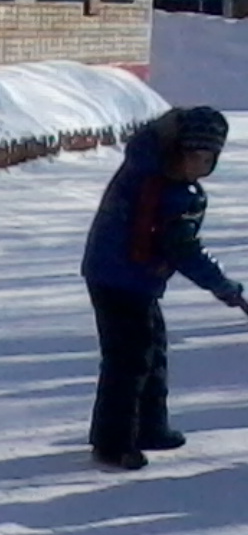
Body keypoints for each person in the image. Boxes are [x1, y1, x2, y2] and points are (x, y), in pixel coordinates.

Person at [82, 105, 246, 471]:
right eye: (193, 155)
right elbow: (184, 250)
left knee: (152, 348)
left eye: (208, 158)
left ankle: (149, 426)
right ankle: (113, 442)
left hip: (128, 276)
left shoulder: (148, 168)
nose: (199, 165)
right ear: (176, 150)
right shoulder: (170, 189)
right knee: (129, 359)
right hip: (120, 279)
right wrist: (226, 288)